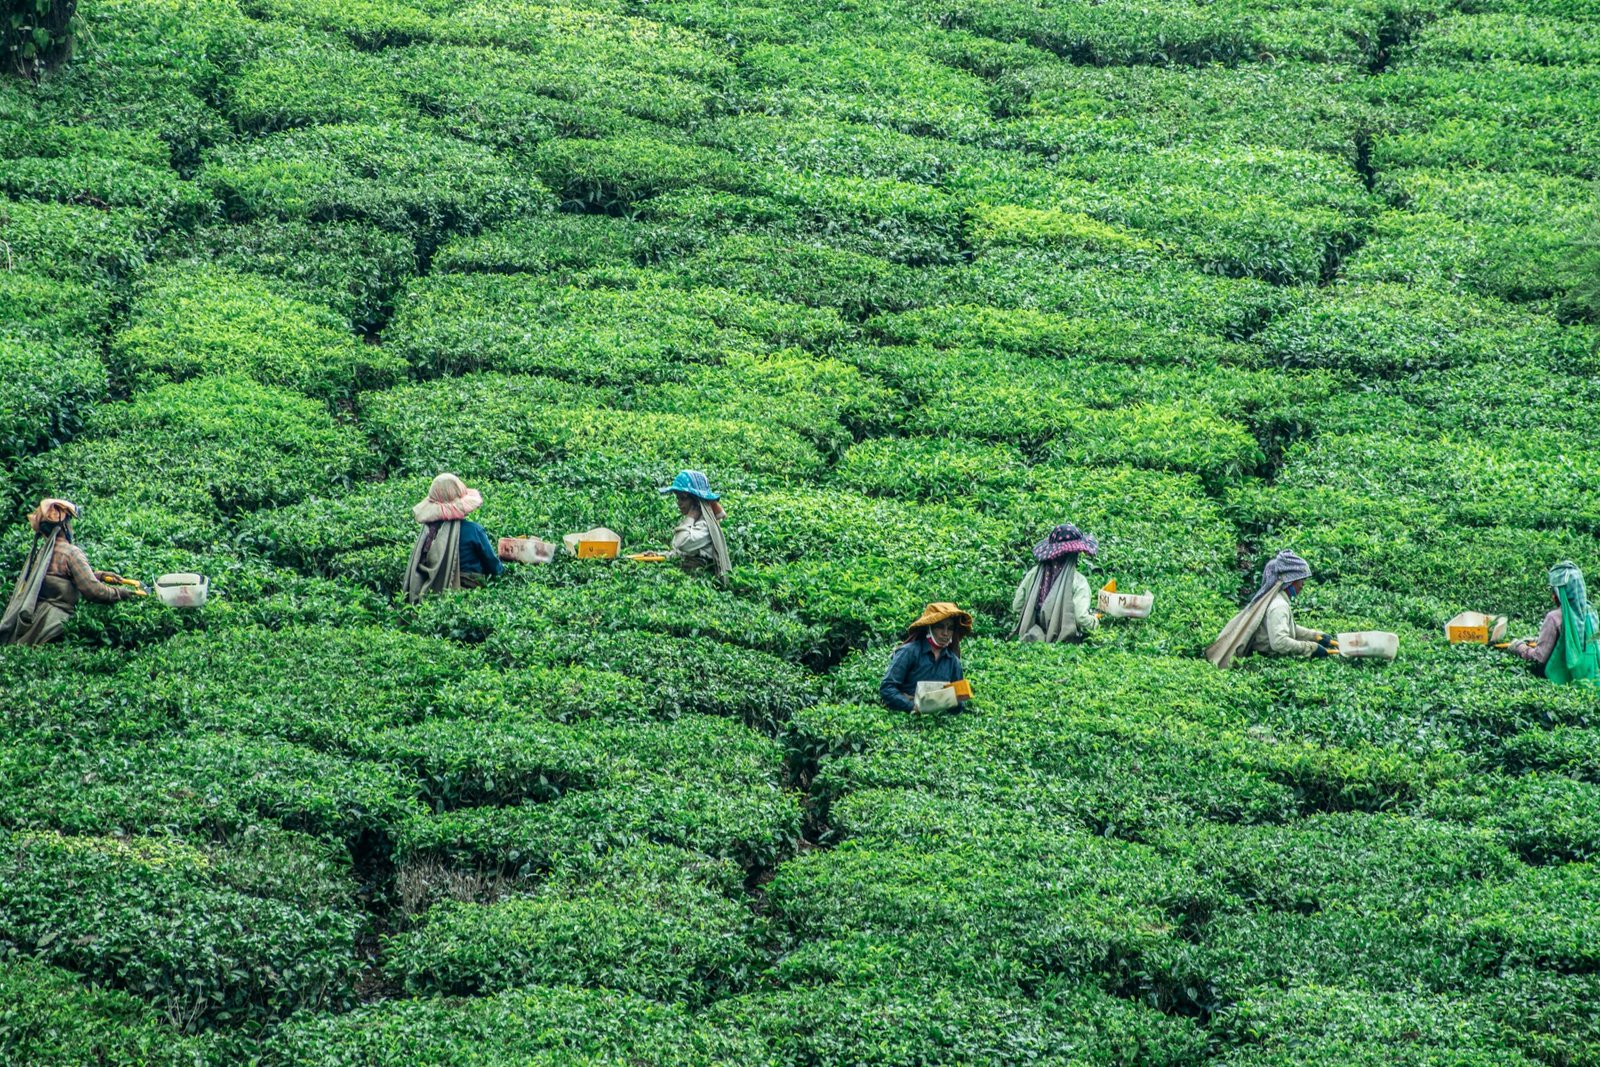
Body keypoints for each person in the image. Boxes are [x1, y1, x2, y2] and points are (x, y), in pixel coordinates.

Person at [1, 498, 140, 646]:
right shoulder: (71, 553)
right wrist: (123, 593)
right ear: (64, 526)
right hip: (55, 626)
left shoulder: (42, 554)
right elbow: (93, 591)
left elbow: (62, 578)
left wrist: (99, 575)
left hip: (37, 623)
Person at [1205, 549, 1338, 669]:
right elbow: (1279, 642)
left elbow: (1288, 627)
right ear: (1289, 582)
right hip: (1267, 663)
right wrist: (1311, 648)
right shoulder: (1279, 606)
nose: (1303, 584)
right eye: (1300, 579)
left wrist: (1316, 636)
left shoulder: (1277, 601)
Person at [404, 473, 503, 604]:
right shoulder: (474, 530)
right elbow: (493, 567)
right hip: (468, 593)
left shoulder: (428, 531)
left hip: (428, 590)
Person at [1510, 561, 1599, 686]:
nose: (1553, 596)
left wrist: (1519, 647)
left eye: (1555, 591)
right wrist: (1537, 639)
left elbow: (1538, 658)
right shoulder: (1591, 611)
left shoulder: (1554, 618)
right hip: (1591, 680)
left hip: (1562, 683)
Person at [1013, 523, 1101, 643]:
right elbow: (1081, 618)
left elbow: (1017, 605)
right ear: (1074, 554)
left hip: (1032, 637)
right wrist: (1094, 621)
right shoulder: (1078, 581)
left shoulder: (1034, 573)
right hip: (1062, 643)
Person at [880, 602, 973, 712]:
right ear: (929, 628)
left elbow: (959, 704)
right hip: (906, 720)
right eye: (940, 627)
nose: (945, 633)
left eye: (950, 628)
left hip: (938, 724)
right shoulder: (909, 652)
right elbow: (887, 688)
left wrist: (951, 701)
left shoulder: (953, 662)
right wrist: (911, 706)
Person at [658, 470, 731, 580]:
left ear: (696, 502)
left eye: (683, 498)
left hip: (702, 582)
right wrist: (659, 556)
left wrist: (691, 516)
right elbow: (680, 552)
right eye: (678, 498)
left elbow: (682, 543)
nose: (679, 503)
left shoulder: (706, 525)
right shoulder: (696, 522)